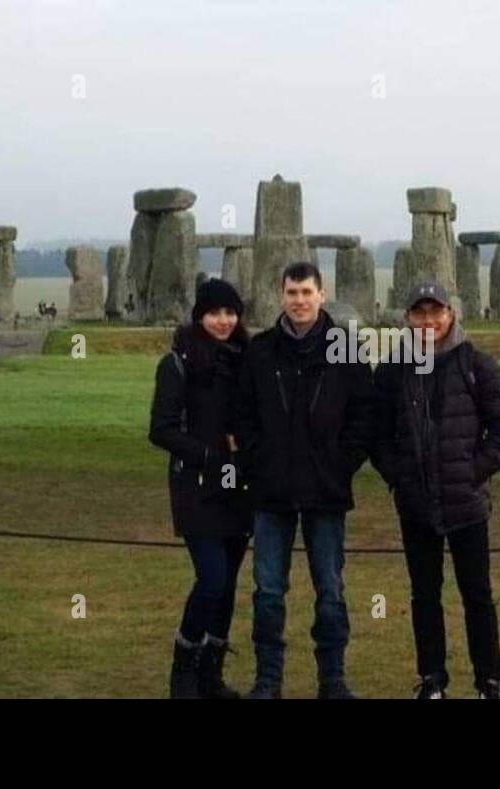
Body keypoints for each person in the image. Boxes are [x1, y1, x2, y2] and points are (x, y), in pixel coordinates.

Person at [373, 282, 500, 699]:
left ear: (450, 315)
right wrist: (399, 477)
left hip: (466, 502)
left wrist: (474, 471)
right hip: (416, 502)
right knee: (424, 596)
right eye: (419, 314)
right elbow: (376, 434)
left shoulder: (477, 364)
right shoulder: (392, 370)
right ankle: (432, 679)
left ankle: (489, 681)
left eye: (435, 313)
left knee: (477, 595)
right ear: (407, 319)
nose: (428, 322)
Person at [235, 262, 375, 700]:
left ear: (322, 293)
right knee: (268, 591)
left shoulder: (346, 349)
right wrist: (258, 460)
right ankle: (268, 679)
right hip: (271, 489)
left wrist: (340, 462)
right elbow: (243, 416)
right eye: (291, 292)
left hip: (325, 489)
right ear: (280, 295)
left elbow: (365, 416)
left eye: (306, 292)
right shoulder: (259, 351)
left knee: (330, 590)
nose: (299, 300)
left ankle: (332, 680)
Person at [149, 279, 253, 699]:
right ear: (199, 316)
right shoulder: (177, 363)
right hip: (196, 485)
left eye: (230, 313)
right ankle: (183, 672)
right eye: (215, 313)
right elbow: (161, 430)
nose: (224, 321)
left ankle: (210, 675)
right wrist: (209, 455)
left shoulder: (245, 359)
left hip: (236, 485)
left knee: (227, 584)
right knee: (211, 577)